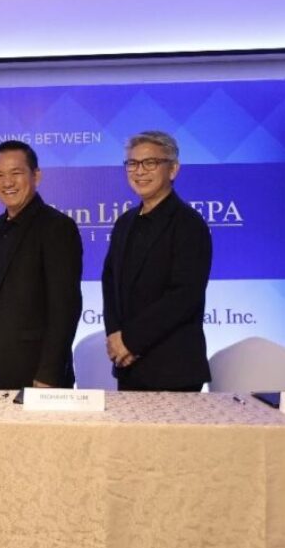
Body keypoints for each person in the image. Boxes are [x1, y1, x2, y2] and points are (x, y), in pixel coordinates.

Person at [0, 140, 83, 389]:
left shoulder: (57, 227)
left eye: (16, 173)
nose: (7, 182)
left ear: (36, 176)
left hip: (40, 374)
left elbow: (66, 306)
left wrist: (49, 373)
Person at [102, 131, 212, 391]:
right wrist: (116, 337)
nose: (139, 171)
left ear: (172, 169)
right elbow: (110, 282)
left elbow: (184, 296)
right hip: (128, 365)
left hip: (173, 368)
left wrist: (131, 341)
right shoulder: (125, 222)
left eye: (150, 163)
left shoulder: (188, 224)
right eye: (132, 163)